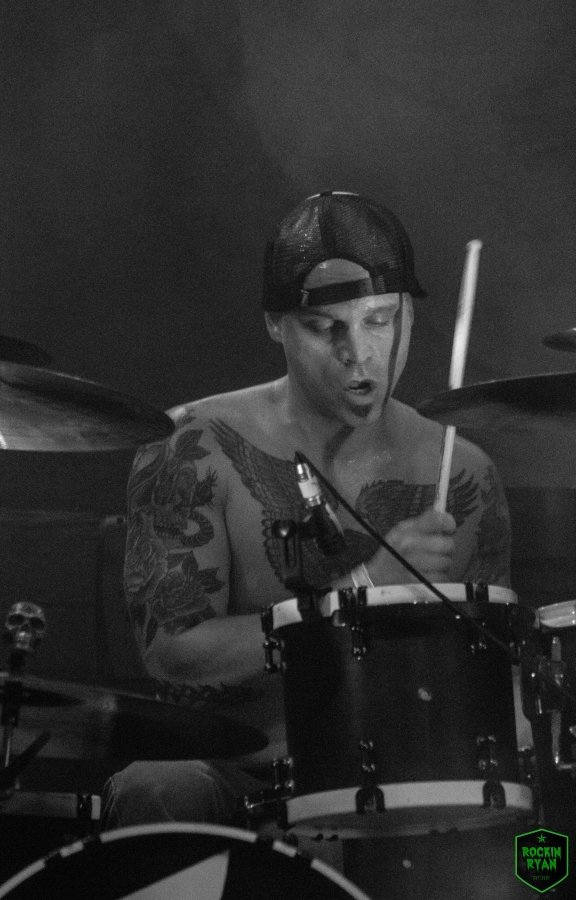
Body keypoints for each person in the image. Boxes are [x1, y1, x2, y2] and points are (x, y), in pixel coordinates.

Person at [101, 190, 512, 832]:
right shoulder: (196, 445)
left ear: (408, 313)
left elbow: (493, 677)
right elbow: (172, 654)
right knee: (157, 789)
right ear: (276, 324)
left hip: (406, 782)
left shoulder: (463, 471)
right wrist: (360, 590)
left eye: (379, 319)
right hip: (238, 774)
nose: (358, 352)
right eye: (325, 328)